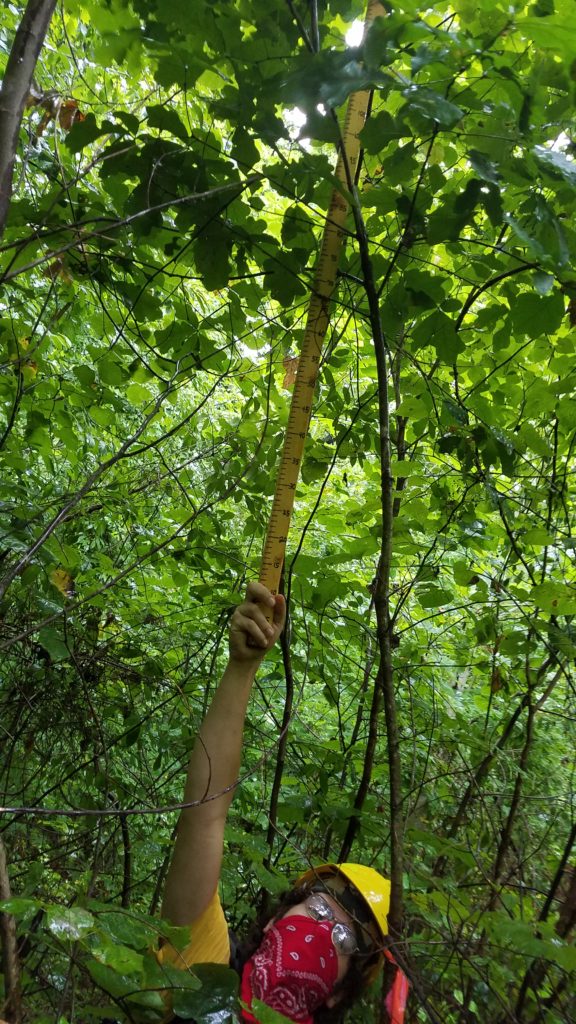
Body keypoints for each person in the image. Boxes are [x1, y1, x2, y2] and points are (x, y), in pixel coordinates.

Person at [157, 582, 406, 1024]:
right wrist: (242, 669)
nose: (321, 929)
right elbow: (205, 815)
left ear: (340, 993)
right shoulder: (205, 967)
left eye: (346, 938)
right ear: (276, 917)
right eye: (320, 906)